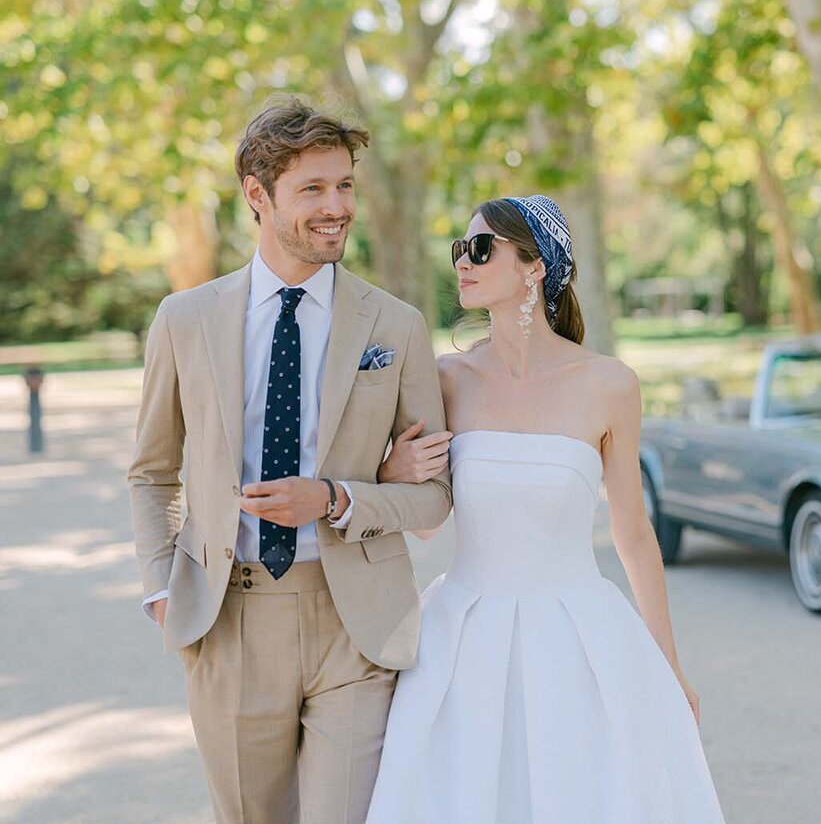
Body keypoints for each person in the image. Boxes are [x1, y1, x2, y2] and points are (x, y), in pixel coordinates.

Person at [127, 96, 452, 824]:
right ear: (257, 194)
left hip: (356, 623)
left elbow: (435, 499)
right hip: (230, 618)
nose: (336, 207)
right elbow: (151, 472)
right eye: (312, 189)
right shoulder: (185, 320)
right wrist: (159, 585)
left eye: (344, 187)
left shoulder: (395, 325)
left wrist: (337, 497)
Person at [365, 195, 725, 823]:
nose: (463, 263)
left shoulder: (611, 384)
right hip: (464, 637)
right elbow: (426, 522)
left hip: (577, 635)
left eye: (482, 249)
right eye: (460, 249)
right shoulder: (447, 379)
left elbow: (634, 535)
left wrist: (669, 666)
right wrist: (393, 472)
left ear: (535, 267)